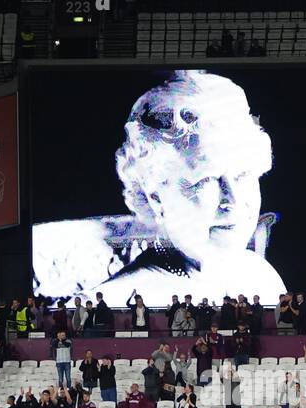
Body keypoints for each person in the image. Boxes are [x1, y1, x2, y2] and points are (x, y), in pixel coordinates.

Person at [95, 71, 286, 307]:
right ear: (155, 197)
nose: (233, 200)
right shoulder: (116, 301)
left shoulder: (261, 276)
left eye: (243, 175)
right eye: (206, 180)